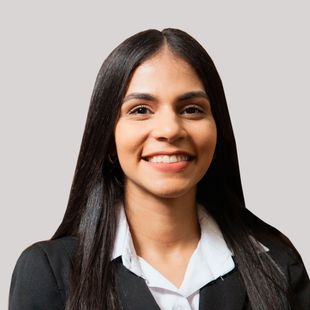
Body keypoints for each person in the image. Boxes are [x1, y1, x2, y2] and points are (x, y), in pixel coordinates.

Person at [9, 28, 309, 310]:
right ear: (109, 139)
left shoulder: (279, 264)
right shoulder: (50, 273)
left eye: (191, 109)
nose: (169, 129)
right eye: (141, 110)